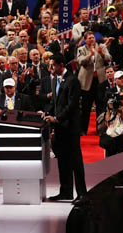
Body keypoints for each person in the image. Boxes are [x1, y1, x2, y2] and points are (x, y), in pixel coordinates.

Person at [43, 53, 86, 201]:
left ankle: (82, 193)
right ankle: (66, 191)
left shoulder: (72, 80)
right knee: (62, 160)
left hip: (71, 127)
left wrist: (56, 118)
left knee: (75, 161)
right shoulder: (55, 80)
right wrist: (47, 113)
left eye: (53, 65)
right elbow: (56, 103)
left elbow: (72, 105)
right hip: (59, 127)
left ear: (61, 65)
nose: (50, 68)